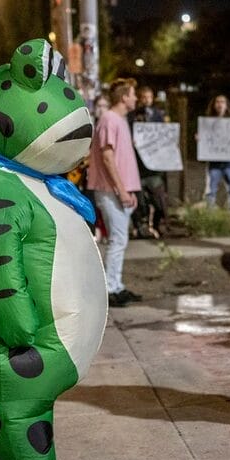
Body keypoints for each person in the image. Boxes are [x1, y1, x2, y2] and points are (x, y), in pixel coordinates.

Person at [87, 77, 143, 308]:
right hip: (111, 191)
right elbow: (108, 158)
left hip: (118, 190)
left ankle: (116, 285)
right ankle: (111, 288)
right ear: (124, 97)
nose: (136, 98)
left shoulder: (117, 119)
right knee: (117, 240)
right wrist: (122, 190)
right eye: (132, 94)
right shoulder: (110, 119)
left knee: (119, 239)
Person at [129, 86, 170, 238]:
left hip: (153, 168)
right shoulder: (132, 116)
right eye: (144, 97)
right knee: (139, 203)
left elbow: (165, 135)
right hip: (137, 168)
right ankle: (140, 227)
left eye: (149, 97)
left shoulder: (158, 115)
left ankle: (158, 224)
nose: (146, 100)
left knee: (159, 201)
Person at [202, 94, 230, 210]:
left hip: (229, 161)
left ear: (226, 105)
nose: (219, 104)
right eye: (217, 101)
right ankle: (210, 212)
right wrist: (200, 138)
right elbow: (205, 139)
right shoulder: (207, 122)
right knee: (211, 188)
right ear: (214, 105)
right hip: (214, 162)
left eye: (222, 101)